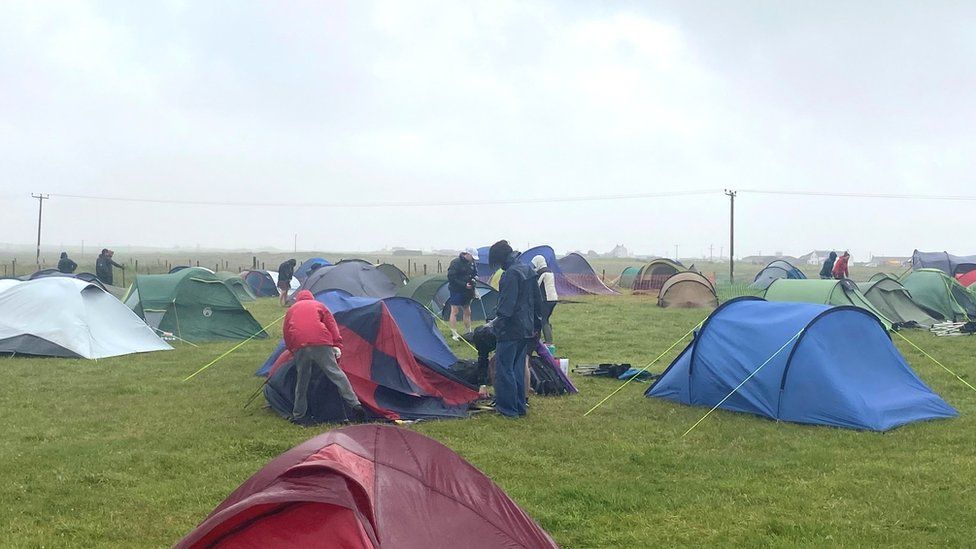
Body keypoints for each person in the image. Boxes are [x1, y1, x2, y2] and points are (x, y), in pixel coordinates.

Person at [284, 290, 365, 423]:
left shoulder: (292, 309)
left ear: (298, 299)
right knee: (336, 374)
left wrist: (292, 350)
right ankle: (355, 405)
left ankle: (298, 415)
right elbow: (332, 326)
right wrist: (337, 344)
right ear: (312, 298)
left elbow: (287, 332)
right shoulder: (320, 306)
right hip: (321, 341)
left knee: (302, 379)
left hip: (300, 343)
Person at [488, 240, 542, 418]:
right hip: (526, 329)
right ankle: (519, 407)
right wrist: (536, 326)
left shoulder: (510, 274)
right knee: (518, 368)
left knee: (504, 369)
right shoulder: (527, 269)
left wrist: (494, 326)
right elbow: (536, 301)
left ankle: (508, 410)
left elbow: (506, 307)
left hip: (510, 329)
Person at [447, 251, 478, 339]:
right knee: (455, 311)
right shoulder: (455, 262)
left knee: (467, 311)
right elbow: (451, 277)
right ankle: (454, 333)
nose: (473, 259)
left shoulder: (472, 263)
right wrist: (464, 284)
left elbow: (475, 273)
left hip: (468, 291)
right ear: (467, 254)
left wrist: (475, 278)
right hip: (456, 290)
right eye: (472, 257)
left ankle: (468, 332)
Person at [531, 255, 558, 345]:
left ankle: (549, 342)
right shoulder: (550, 271)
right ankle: (548, 339)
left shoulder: (541, 273)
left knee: (543, 320)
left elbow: (536, 285)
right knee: (546, 319)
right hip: (554, 299)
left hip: (546, 299)